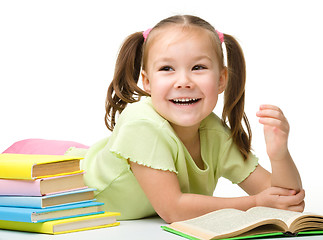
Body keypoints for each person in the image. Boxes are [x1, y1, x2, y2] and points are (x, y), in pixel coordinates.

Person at [81, 15, 304, 223]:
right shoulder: (141, 123)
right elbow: (173, 209)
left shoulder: (214, 132)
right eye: (167, 68)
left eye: (198, 67)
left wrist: (279, 155)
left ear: (221, 80)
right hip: (67, 185)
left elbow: (288, 200)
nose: (184, 82)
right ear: (147, 82)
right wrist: (254, 204)